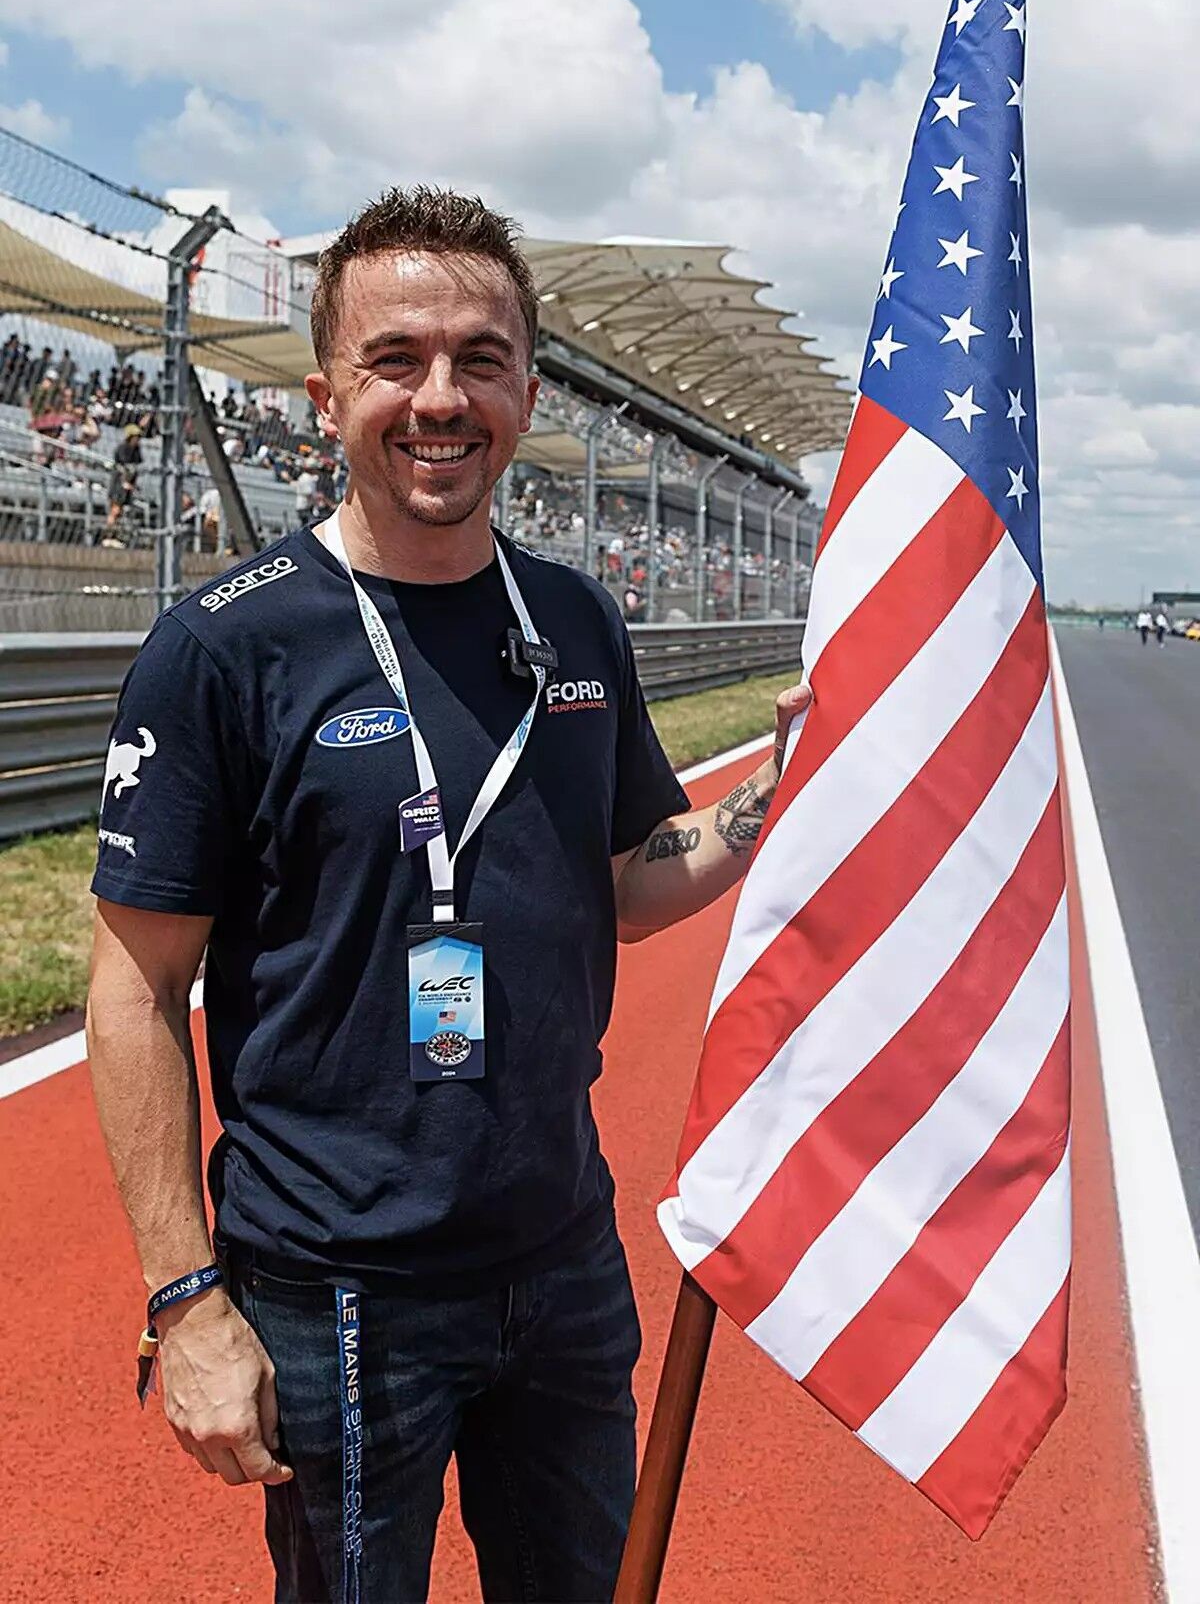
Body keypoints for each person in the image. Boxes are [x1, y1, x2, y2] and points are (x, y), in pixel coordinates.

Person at [86, 185, 809, 1604]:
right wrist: (186, 1304)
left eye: (481, 359)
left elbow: (624, 882)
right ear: (324, 395)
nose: (442, 395)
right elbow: (135, 987)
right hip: (337, 1290)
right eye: (397, 358)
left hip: (561, 1254)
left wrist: (781, 792)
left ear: (528, 391)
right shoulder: (226, 648)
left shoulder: (578, 621)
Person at [107, 423, 143, 531]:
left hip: (129, 482)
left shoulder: (136, 450)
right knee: (115, 509)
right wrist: (124, 482)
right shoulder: (123, 448)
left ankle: (116, 533)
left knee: (122, 510)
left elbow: (136, 466)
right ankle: (109, 533)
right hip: (118, 482)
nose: (137, 439)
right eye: (135, 437)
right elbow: (122, 467)